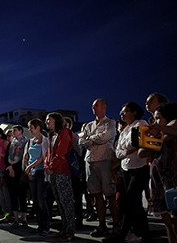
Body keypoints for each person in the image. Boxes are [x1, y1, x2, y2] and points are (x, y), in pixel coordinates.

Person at [103, 102, 150, 243]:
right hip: (126, 169)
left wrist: (125, 150)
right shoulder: (125, 130)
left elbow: (134, 144)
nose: (121, 114)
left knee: (131, 201)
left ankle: (125, 233)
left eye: (125, 111)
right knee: (132, 203)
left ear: (134, 112)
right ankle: (140, 233)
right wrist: (126, 151)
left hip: (139, 168)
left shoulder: (140, 124)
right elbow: (118, 151)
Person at [78, 99, 120, 237]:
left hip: (105, 160)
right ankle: (102, 225)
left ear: (104, 107)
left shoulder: (111, 123)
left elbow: (105, 137)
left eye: (96, 105)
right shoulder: (89, 125)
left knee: (110, 195)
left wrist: (90, 139)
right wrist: (93, 140)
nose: (93, 107)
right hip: (90, 161)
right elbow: (81, 141)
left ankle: (116, 225)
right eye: (92, 106)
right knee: (96, 194)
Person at [140, 103, 177, 243]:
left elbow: (174, 127)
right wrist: (159, 138)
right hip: (159, 180)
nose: (154, 122)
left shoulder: (172, 125)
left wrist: (157, 134)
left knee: (175, 220)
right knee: (168, 223)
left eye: (158, 118)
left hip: (173, 180)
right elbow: (142, 152)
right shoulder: (161, 133)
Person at [45, 112, 76, 242]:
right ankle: (64, 228)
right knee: (59, 201)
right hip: (53, 172)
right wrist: (47, 166)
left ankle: (70, 230)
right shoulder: (52, 135)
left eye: (49, 119)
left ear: (56, 120)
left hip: (62, 171)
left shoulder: (65, 132)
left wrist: (51, 166)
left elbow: (62, 152)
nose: (46, 121)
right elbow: (49, 153)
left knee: (66, 202)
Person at [25, 119, 50, 235]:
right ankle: (40, 226)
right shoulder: (30, 141)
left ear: (38, 127)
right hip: (32, 172)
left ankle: (46, 227)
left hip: (40, 172)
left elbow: (42, 157)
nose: (29, 129)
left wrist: (29, 167)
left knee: (41, 200)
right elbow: (26, 156)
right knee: (35, 200)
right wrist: (28, 168)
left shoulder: (45, 140)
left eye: (31, 127)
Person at [5, 125, 28, 228]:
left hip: (20, 173)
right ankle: (15, 219)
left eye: (15, 130)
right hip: (11, 173)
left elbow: (24, 158)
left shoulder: (25, 143)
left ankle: (24, 218)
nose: (13, 132)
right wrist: (10, 167)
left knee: (22, 195)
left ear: (20, 131)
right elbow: (7, 157)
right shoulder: (11, 143)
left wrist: (14, 167)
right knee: (13, 195)